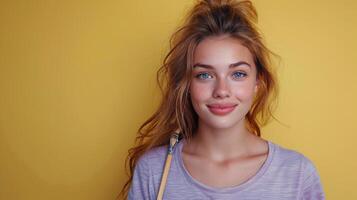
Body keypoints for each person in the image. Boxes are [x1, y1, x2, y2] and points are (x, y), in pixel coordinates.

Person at [119, 0, 325, 199]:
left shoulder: (297, 174)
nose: (221, 91)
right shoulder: (153, 171)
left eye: (238, 74)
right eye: (205, 75)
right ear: (187, 84)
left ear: (258, 82)